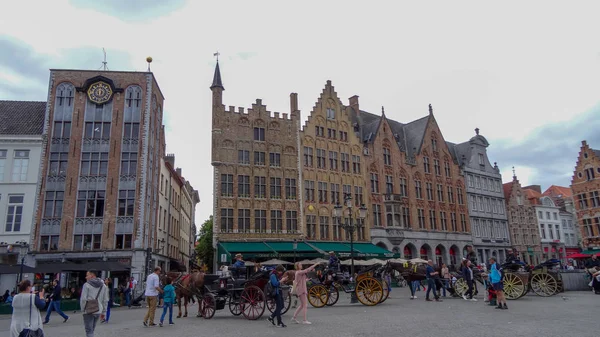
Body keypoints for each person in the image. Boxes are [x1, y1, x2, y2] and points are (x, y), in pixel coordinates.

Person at [80, 270, 109, 337]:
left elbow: (83, 299)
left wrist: (83, 310)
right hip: (98, 310)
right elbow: (105, 300)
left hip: (88, 310)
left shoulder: (86, 285)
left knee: (89, 331)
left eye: (87, 275)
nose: (86, 277)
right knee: (92, 330)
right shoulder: (103, 286)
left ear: (92, 275)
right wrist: (104, 312)